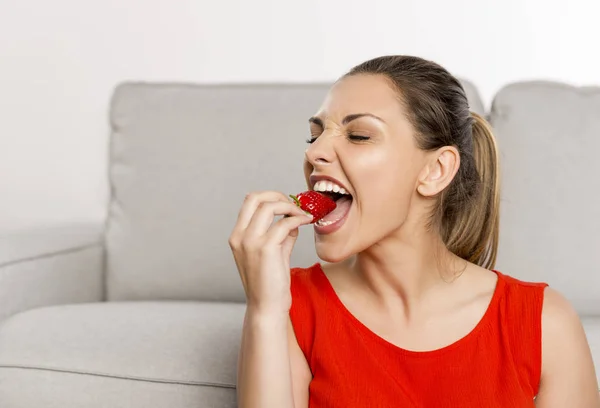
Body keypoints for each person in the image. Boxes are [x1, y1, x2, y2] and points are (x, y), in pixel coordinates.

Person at [229, 55, 600, 407]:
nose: (315, 153)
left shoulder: (544, 323)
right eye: (315, 136)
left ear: (435, 170)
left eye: (358, 136)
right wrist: (264, 310)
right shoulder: (288, 305)